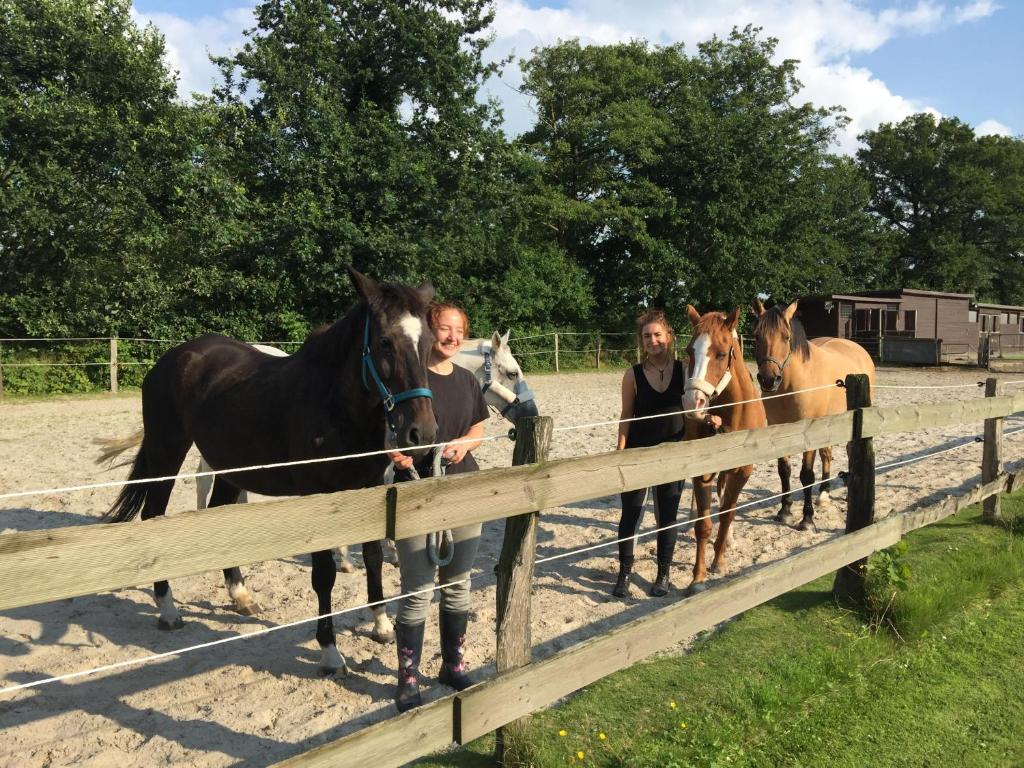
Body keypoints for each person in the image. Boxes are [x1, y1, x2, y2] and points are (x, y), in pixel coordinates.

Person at [389, 302, 490, 712]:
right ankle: (409, 678)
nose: (452, 337)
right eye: (444, 329)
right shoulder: (407, 378)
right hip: (416, 492)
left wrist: (465, 443)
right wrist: (393, 453)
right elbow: (385, 431)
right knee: (417, 589)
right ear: (430, 332)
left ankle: (453, 663)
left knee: (459, 583)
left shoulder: (467, 380)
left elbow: (479, 427)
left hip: (462, 487)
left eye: (459, 330)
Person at [614, 309, 685, 598]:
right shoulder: (632, 374)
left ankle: (663, 573)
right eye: (647, 336)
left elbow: (696, 407)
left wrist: (710, 420)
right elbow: (626, 414)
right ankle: (624, 572)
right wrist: (619, 452)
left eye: (657, 334)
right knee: (630, 514)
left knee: (667, 515)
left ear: (668, 336)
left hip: (673, 453)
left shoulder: (685, 370)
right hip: (638, 453)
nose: (652, 340)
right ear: (641, 341)